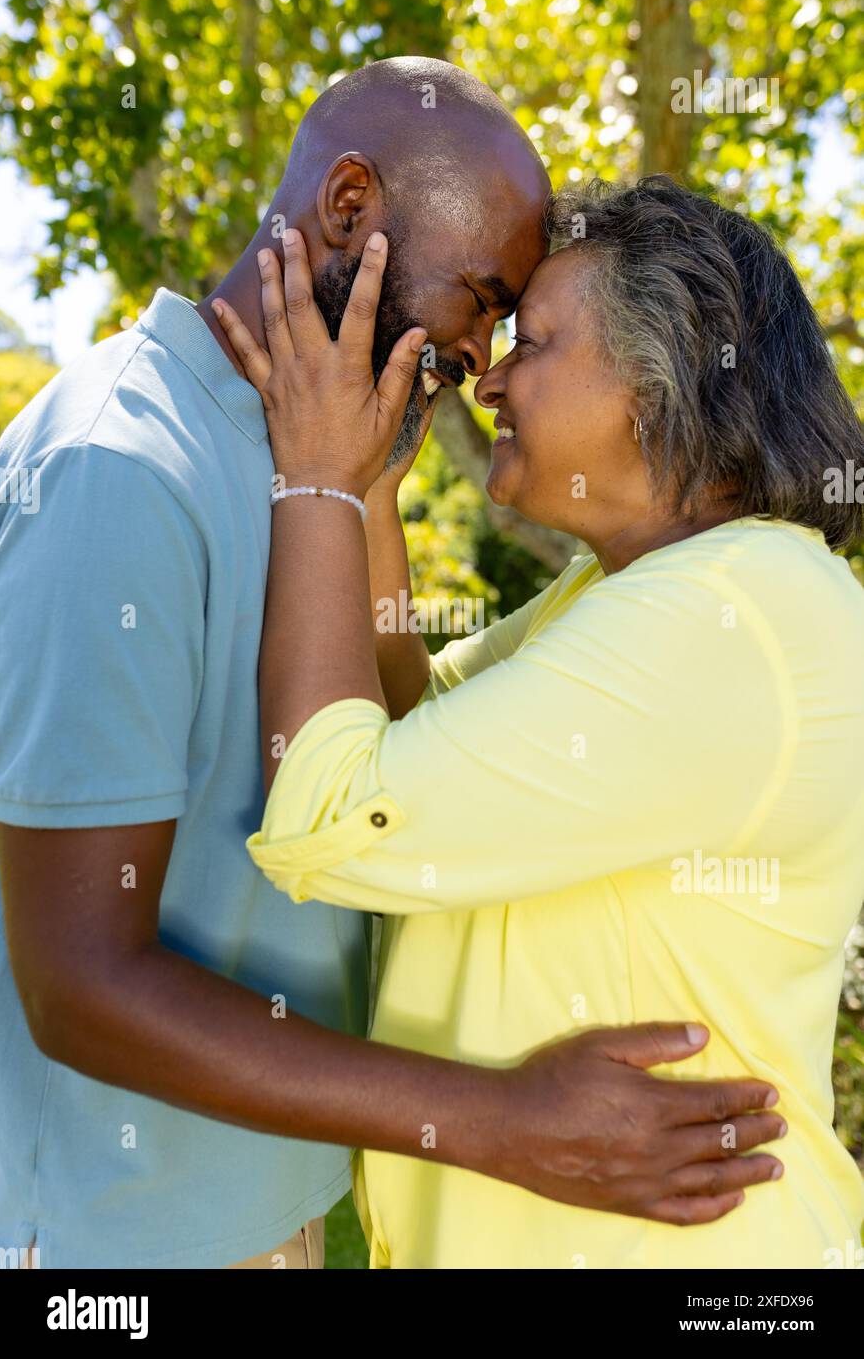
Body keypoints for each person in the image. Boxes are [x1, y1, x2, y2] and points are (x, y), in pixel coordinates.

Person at [0, 58, 782, 1271]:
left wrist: (361, 494)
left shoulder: (312, 456)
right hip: (126, 1246)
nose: (481, 360)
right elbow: (82, 980)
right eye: (478, 299)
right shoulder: (123, 468)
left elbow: (392, 752)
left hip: (274, 1214)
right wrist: (501, 1122)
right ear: (350, 205)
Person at [217, 174, 864, 1269]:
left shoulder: (729, 615)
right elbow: (406, 717)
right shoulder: (635, 593)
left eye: (537, 343)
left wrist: (317, 478)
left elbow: (331, 805)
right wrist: (369, 489)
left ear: (657, 386)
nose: (492, 380)